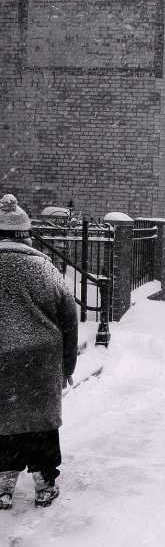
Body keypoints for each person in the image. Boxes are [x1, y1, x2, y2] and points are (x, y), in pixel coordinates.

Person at [0, 194, 78, 510]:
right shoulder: (44, 269)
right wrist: (67, 367)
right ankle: (45, 482)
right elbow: (69, 317)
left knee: (5, 420)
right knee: (41, 423)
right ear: (24, 234)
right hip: (40, 359)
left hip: (2, 356)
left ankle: (4, 482)